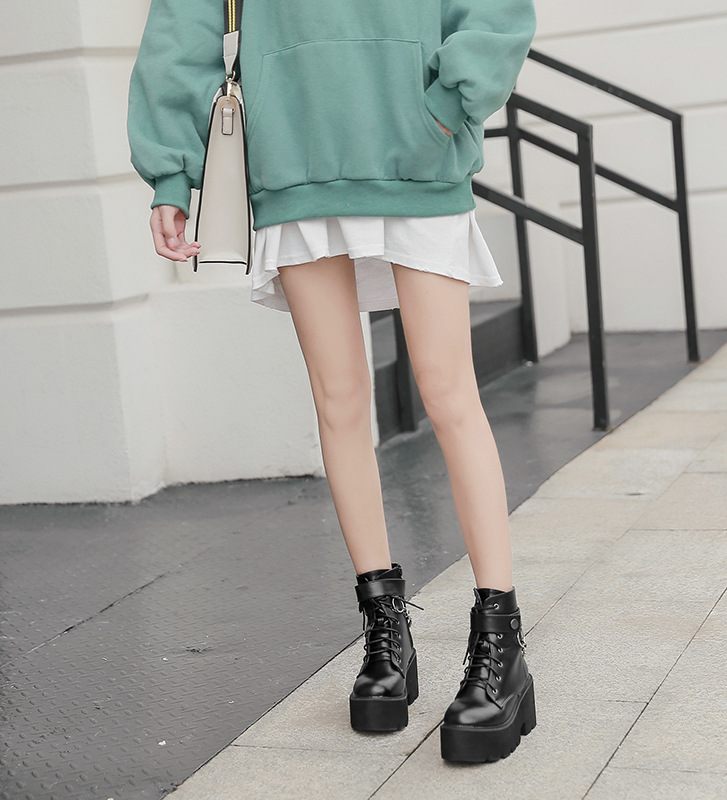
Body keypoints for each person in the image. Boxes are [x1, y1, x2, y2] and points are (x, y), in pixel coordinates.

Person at [127, 0, 537, 763]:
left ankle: (499, 644)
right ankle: (385, 629)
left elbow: (496, 9)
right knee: (339, 400)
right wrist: (172, 173)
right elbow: (184, 21)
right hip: (294, 152)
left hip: (418, 147)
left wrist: (449, 105)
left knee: (448, 391)